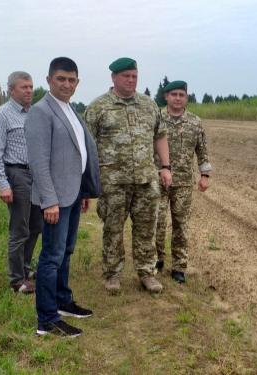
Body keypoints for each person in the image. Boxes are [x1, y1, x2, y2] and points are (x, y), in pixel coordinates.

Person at [24, 57, 101, 337]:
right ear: (49, 80)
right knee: (51, 257)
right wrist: (49, 201)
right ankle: (46, 319)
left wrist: (82, 190)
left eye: (71, 80)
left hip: (72, 193)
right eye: (61, 79)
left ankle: (63, 301)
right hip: (55, 199)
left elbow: (75, 154)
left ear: (77, 83)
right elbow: (38, 161)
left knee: (66, 251)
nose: (67, 84)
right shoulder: (41, 112)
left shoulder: (69, 109)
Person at [85, 57, 172, 295]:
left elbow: (160, 135)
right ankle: (112, 274)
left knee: (146, 230)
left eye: (134, 76)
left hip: (146, 181)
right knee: (113, 230)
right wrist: (88, 183)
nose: (131, 80)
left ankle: (147, 273)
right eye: (126, 76)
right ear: (114, 78)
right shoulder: (98, 108)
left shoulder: (149, 105)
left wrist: (165, 166)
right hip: (113, 183)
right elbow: (87, 147)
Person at [0, 71, 43, 294]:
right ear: (11, 90)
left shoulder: (34, 114)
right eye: (24, 87)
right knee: (19, 229)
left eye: (30, 86)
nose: (29, 90)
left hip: (36, 175)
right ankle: (16, 281)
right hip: (16, 175)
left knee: (36, 225)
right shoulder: (1, 116)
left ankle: (25, 268)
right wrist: (2, 183)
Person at [155, 80, 212, 284]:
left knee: (181, 225)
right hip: (158, 181)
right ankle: (157, 258)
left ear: (186, 97)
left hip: (183, 183)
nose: (177, 98)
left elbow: (202, 151)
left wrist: (204, 175)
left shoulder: (195, 122)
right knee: (157, 222)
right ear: (166, 97)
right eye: (174, 94)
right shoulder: (156, 118)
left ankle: (179, 266)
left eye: (181, 94)